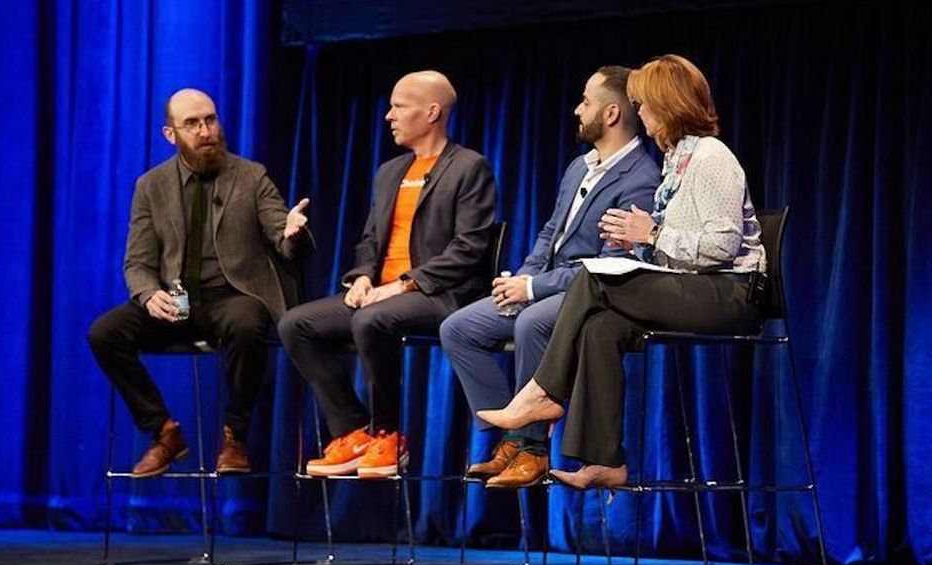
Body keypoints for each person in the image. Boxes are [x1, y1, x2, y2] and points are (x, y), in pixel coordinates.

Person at [477, 54, 766, 490]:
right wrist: (640, 241)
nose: (640, 113)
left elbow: (722, 246)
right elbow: (676, 247)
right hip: (696, 286)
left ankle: (543, 392)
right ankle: (606, 460)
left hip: (731, 293)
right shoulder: (676, 160)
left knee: (594, 278)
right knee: (601, 327)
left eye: (644, 104)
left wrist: (652, 233)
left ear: (666, 104)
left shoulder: (711, 157)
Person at [438, 66, 660, 488]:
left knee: (532, 322)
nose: (577, 110)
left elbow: (609, 267)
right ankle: (512, 438)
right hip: (546, 286)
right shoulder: (579, 167)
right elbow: (549, 234)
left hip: (592, 294)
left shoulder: (640, 179)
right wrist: (520, 281)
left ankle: (532, 446)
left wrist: (533, 288)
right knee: (459, 328)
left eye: (586, 102)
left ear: (611, 114)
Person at [278, 70, 497, 478]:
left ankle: (388, 435)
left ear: (432, 112)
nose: (388, 116)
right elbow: (370, 241)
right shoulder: (389, 172)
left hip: (441, 295)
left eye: (398, 106)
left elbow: (469, 249)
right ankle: (353, 431)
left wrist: (403, 284)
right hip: (383, 294)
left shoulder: (469, 167)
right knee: (296, 324)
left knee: (371, 319)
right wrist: (362, 277)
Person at [88, 88, 314, 478]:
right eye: (192, 124)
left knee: (248, 324)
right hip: (177, 301)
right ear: (170, 134)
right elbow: (138, 262)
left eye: (210, 120)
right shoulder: (151, 186)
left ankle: (235, 436)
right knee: (104, 333)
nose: (206, 131)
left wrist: (294, 233)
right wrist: (148, 294)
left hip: (233, 296)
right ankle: (164, 432)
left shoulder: (251, 176)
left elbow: (284, 235)